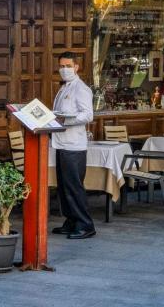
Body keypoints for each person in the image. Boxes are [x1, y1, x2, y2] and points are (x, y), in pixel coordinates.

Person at [50, 51, 96, 239]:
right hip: (61, 144)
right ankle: (71, 221)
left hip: (74, 146)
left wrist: (65, 121)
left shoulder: (81, 89)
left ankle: (86, 224)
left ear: (76, 67)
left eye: (68, 66)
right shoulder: (64, 88)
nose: (64, 69)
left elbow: (88, 115)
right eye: (61, 66)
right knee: (64, 186)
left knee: (74, 186)